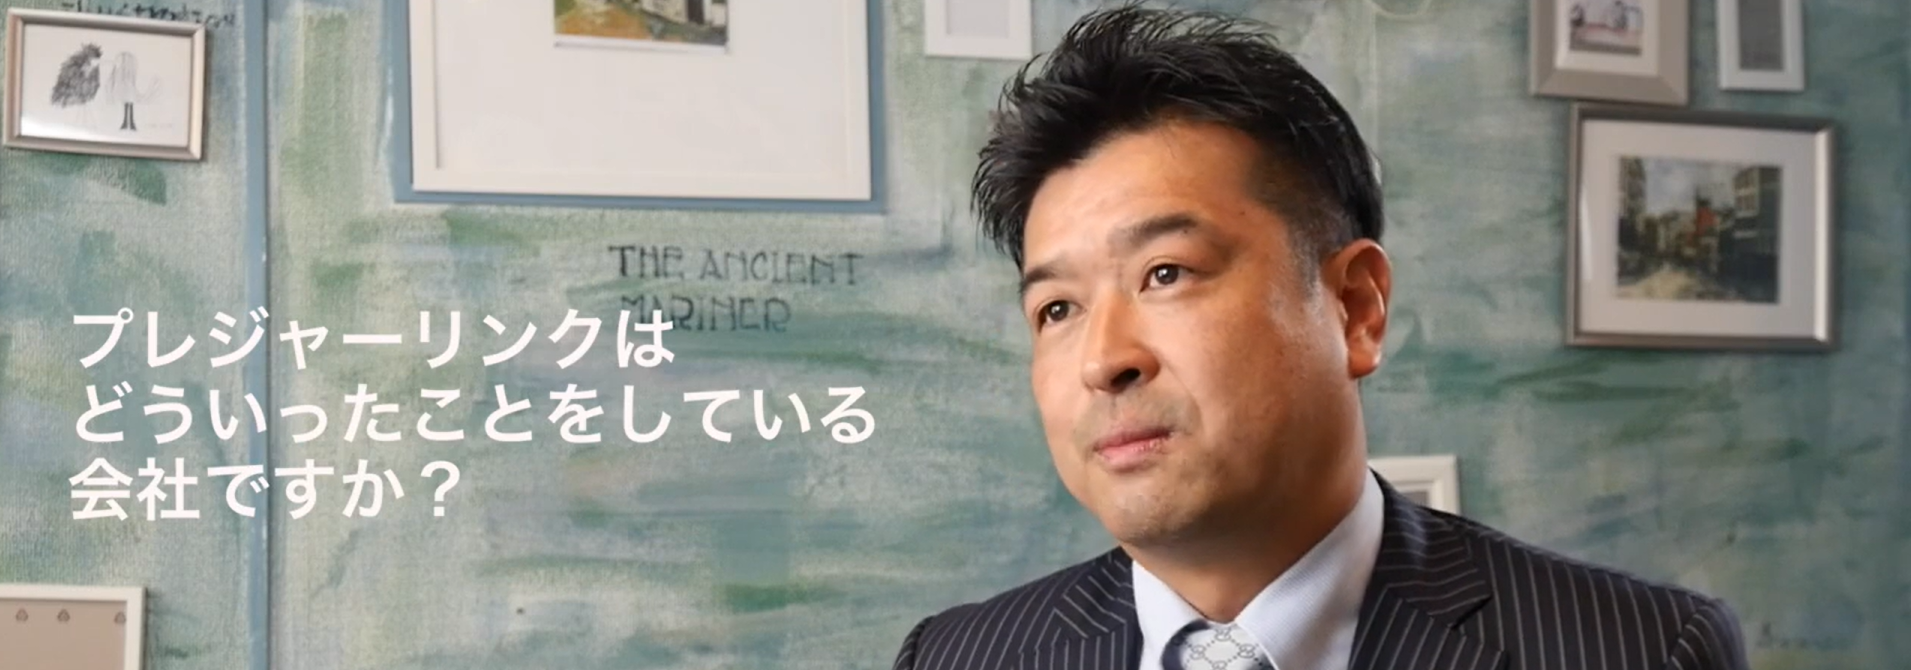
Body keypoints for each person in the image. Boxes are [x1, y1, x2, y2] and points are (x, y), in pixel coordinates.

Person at [889, 5, 1750, 670]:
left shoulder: (1637, 648)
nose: (1103, 360)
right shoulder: (956, 656)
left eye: (1165, 273)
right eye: (1056, 309)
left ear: (1354, 308)